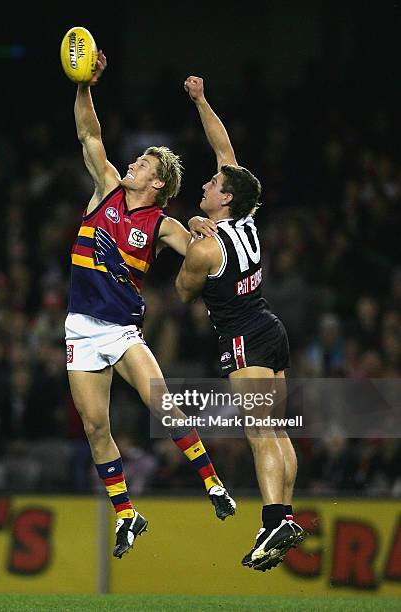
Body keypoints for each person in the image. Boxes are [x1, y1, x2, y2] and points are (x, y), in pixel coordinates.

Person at [65, 53, 235, 559]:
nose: (133, 163)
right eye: (135, 161)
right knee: (97, 428)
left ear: (157, 183)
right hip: (79, 328)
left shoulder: (162, 226)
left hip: (121, 331)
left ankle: (213, 484)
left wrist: (211, 232)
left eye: (144, 164)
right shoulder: (107, 191)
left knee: (162, 403)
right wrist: (82, 87)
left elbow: (205, 255)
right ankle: (127, 515)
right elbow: (88, 135)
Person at [176, 76, 306, 571]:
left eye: (212, 184)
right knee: (276, 430)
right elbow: (223, 146)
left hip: (243, 337)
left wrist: (190, 235)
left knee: (259, 433)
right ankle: (283, 516)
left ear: (226, 198)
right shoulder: (246, 219)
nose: (207, 184)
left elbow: (183, 292)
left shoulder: (209, 245)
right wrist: (203, 101)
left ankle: (274, 519)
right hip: (271, 328)